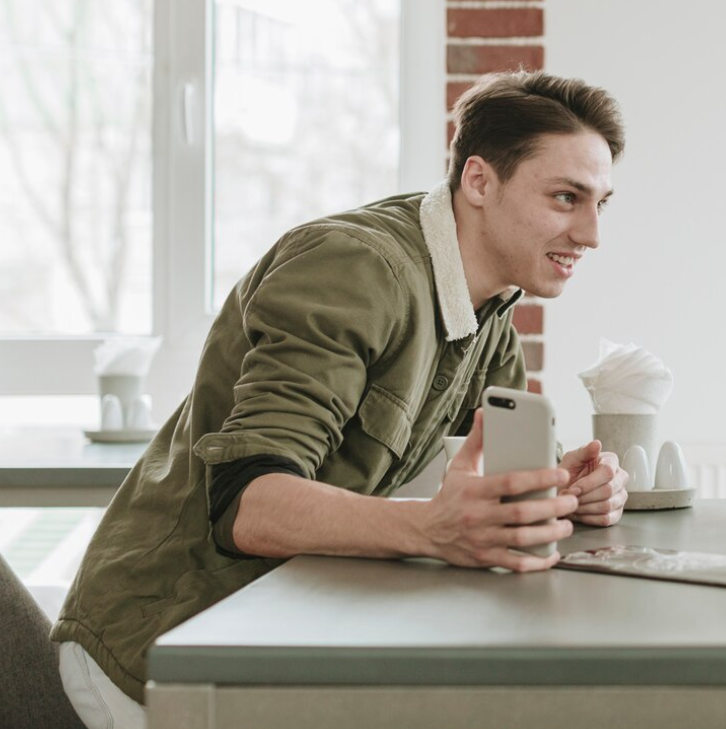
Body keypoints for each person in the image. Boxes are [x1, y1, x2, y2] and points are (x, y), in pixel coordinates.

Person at [52, 71, 631, 729]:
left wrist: (567, 489)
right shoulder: (353, 269)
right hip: (164, 647)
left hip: (282, 629)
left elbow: (501, 484)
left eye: (600, 204)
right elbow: (248, 503)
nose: (590, 234)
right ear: (478, 182)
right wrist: (432, 529)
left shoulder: (491, 307)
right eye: (565, 198)